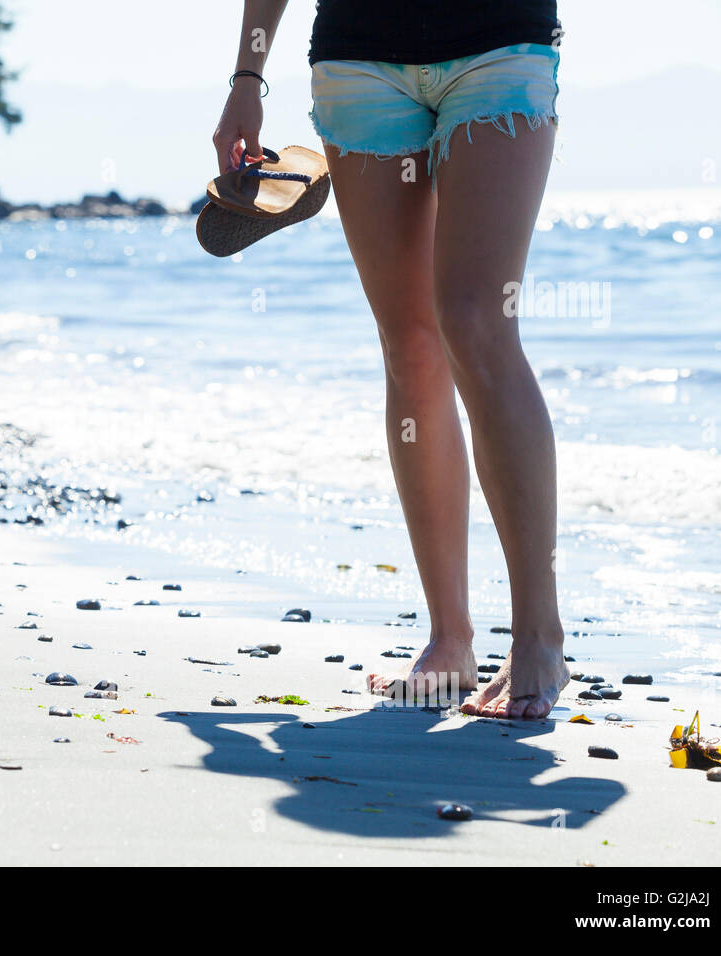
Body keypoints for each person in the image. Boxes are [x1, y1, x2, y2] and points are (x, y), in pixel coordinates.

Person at [213, 0, 569, 719]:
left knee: (476, 321)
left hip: (498, 44)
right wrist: (247, 76)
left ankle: (539, 636)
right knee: (410, 346)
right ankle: (450, 640)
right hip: (359, 59)